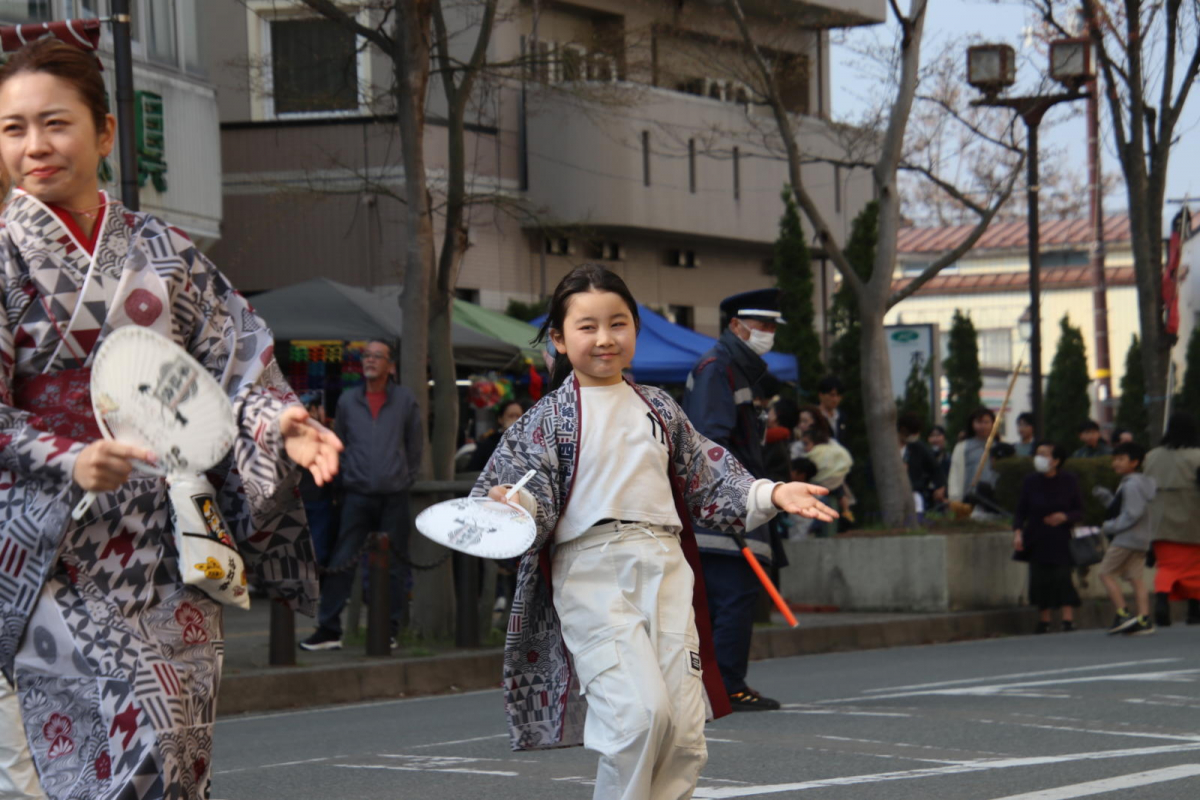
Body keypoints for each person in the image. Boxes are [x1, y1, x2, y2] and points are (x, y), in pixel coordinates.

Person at [0, 38, 341, 800]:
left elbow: (233, 367)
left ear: (107, 132)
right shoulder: (3, 261)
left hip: (168, 543)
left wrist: (280, 421)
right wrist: (67, 458)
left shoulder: (166, 252)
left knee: (179, 757)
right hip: (54, 551)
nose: (34, 146)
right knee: (120, 764)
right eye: (12, 129)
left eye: (53, 123)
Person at [473, 264, 836, 800]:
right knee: (638, 719)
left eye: (618, 324)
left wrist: (773, 492)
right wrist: (511, 503)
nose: (604, 339)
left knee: (685, 733)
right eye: (587, 326)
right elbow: (519, 494)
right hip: (591, 573)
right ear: (558, 337)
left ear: (635, 330)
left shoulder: (660, 409)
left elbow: (710, 473)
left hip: (667, 568)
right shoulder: (544, 419)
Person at [682, 288, 787, 712]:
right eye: (763, 325)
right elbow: (711, 444)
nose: (769, 333)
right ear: (736, 325)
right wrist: (731, 503)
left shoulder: (731, 368)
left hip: (733, 503)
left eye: (773, 326)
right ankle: (726, 684)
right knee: (734, 596)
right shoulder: (718, 369)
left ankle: (719, 683)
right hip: (726, 508)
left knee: (728, 597)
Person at [301, 339, 422, 651]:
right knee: (342, 560)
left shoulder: (405, 400)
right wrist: (344, 478)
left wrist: (403, 478)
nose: (369, 360)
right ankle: (329, 630)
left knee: (394, 566)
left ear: (390, 365)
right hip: (355, 493)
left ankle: (389, 629)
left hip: (393, 494)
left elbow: (414, 446)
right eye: (366, 355)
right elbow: (339, 442)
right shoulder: (347, 400)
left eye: (377, 356)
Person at [1013, 442, 1084, 633]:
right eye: (1038, 454)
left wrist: (1064, 517)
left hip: (1060, 536)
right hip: (1036, 535)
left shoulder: (1069, 480)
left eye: (1044, 454)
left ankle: (1067, 618)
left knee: (1062, 576)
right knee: (1039, 577)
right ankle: (1044, 619)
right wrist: (1018, 532)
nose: (1039, 458)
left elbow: (1078, 510)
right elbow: (1021, 510)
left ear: (1056, 460)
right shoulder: (1031, 481)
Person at [1143, 412, 1200, 627]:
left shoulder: (1152, 456)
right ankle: (1194, 611)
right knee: (1196, 569)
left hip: (1160, 522)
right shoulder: (1197, 457)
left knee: (1167, 567)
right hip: (1193, 521)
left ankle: (1161, 601)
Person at [1097, 442, 1157, 635]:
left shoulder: (1131, 485)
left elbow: (1132, 513)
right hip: (1141, 540)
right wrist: (1107, 498)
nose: (1116, 463)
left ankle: (1123, 614)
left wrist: (1109, 527)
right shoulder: (1140, 483)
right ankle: (1144, 619)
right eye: (1115, 459)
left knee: (1105, 574)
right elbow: (1125, 508)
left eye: (1121, 459)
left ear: (1135, 462)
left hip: (1126, 539)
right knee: (1136, 579)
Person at [298, 392, 338, 567]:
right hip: (318, 499)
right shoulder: (324, 434)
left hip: (302, 499)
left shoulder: (293, 434)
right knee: (318, 548)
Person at [948, 407, 1002, 516]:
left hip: (995, 500)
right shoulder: (962, 447)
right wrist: (955, 498)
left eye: (986, 422)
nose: (982, 426)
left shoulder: (1000, 447)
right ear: (972, 424)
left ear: (993, 424)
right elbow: (955, 472)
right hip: (970, 498)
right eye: (978, 422)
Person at [898, 412, 946, 515]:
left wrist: (940, 486)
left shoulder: (918, 448)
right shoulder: (888, 447)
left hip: (913, 492)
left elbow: (935, 468)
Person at [468, 398, 526, 472]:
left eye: (518, 416)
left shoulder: (529, 443)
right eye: (511, 416)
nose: (515, 420)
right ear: (500, 419)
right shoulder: (489, 444)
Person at [763, 397, 800, 484]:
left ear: (776, 415)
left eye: (771, 410)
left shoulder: (773, 438)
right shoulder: (784, 438)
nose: (767, 413)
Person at [816, 375, 848, 443]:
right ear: (821, 395)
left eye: (838, 395)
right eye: (832, 395)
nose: (835, 399)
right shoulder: (814, 416)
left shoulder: (842, 416)